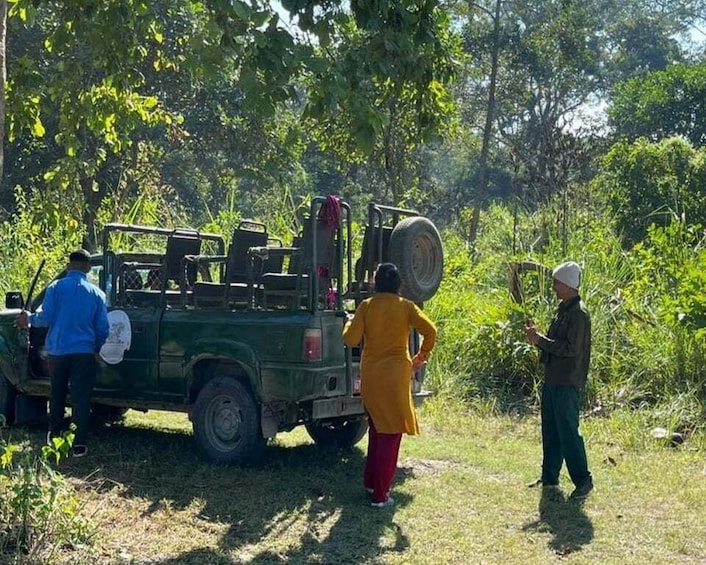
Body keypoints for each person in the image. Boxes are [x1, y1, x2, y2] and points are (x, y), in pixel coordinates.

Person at [343, 262, 437, 508]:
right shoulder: (406, 307)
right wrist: (419, 358)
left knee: (376, 429)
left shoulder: (366, 306)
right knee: (391, 435)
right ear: (399, 284)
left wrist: (348, 322)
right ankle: (381, 495)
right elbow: (431, 331)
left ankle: (371, 482)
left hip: (371, 376)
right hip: (396, 377)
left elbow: (350, 339)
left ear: (375, 282)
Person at [16, 249, 110, 458]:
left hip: (58, 352)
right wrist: (96, 346)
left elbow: (45, 317)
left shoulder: (56, 288)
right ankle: (79, 444)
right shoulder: (97, 294)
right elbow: (103, 328)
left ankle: (54, 435)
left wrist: (29, 319)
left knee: (57, 393)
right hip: (84, 352)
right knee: (81, 396)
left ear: (68, 266)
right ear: (88, 268)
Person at [524, 261, 593, 500]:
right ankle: (550, 477)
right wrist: (538, 340)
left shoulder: (579, 314)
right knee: (551, 429)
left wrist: (539, 340)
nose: (553, 287)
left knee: (568, 432)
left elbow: (570, 349)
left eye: (557, 282)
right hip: (553, 378)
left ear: (568, 285)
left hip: (567, 380)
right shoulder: (563, 310)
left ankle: (583, 481)